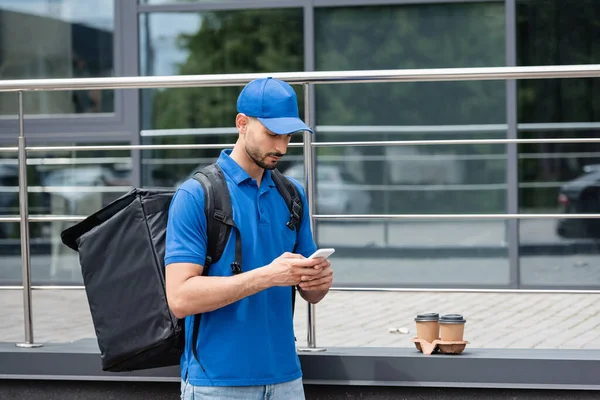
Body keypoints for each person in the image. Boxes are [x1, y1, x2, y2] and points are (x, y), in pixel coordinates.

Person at [164, 77, 333, 400]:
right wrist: (268, 276)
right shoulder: (196, 195)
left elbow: (310, 293)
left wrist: (319, 282)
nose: (282, 147)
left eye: (288, 135)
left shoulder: (291, 194)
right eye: (272, 134)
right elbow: (181, 298)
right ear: (242, 123)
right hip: (217, 383)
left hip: (286, 378)